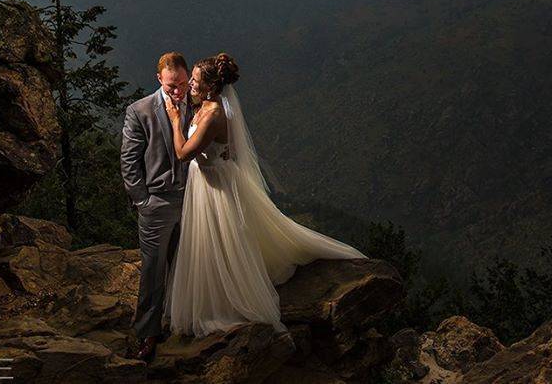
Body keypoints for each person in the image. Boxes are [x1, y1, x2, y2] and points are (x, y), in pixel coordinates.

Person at [162, 53, 367, 338]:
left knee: (220, 239)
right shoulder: (210, 105)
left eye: (195, 81)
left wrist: (174, 120)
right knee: (213, 239)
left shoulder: (214, 114)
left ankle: (226, 298)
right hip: (210, 178)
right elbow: (229, 148)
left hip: (213, 185)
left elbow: (184, 153)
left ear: (210, 87)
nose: (191, 86)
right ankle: (216, 288)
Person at [119, 51, 193, 362]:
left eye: (182, 84)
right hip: (157, 203)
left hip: (193, 201)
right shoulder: (140, 110)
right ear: (159, 80)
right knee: (153, 270)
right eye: (172, 86)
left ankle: (181, 322)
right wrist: (143, 201)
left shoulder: (199, 103)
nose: (178, 92)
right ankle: (148, 334)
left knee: (187, 265)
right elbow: (129, 161)